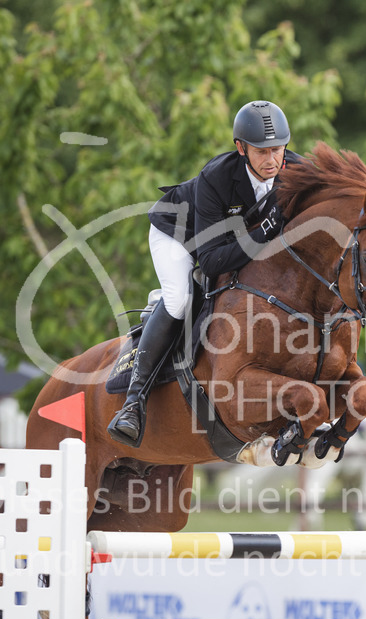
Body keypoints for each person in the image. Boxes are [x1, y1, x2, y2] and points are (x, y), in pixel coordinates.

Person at [108, 101, 302, 447]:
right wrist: (264, 232)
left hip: (231, 241)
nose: (272, 160)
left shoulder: (298, 172)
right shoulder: (217, 177)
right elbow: (211, 262)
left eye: (278, 149)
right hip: (178, 234)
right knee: (180, 300)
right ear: (241, 148)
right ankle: (133, 403)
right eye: (261, 152)